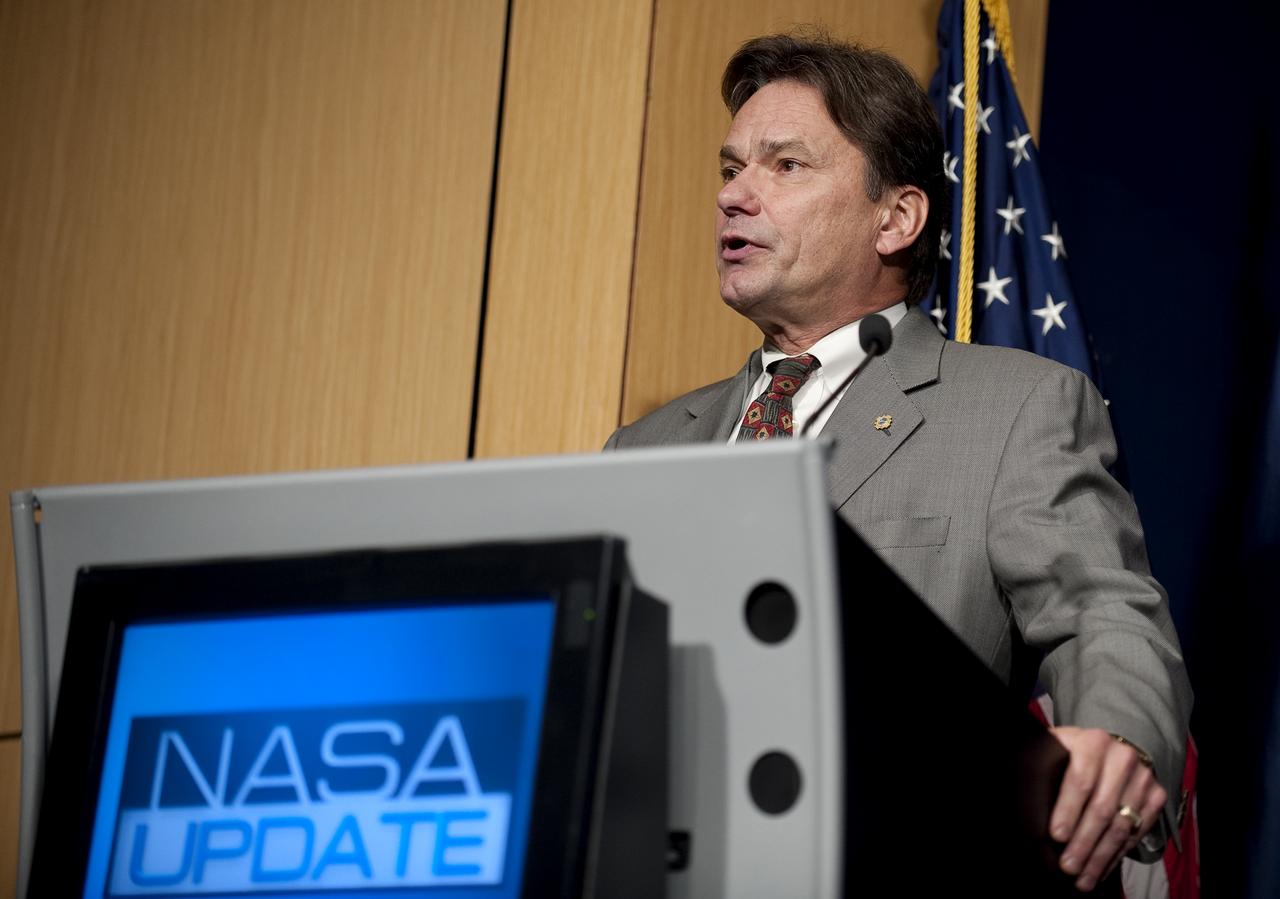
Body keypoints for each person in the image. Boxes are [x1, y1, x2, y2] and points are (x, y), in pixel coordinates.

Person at [604, 33, 1192, 892]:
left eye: (785, 166)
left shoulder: (1013, 409)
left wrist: (1122, 737)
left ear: (897, 218)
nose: (734, 195)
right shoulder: (643, 448)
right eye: (731, 168)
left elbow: (1104, 610)